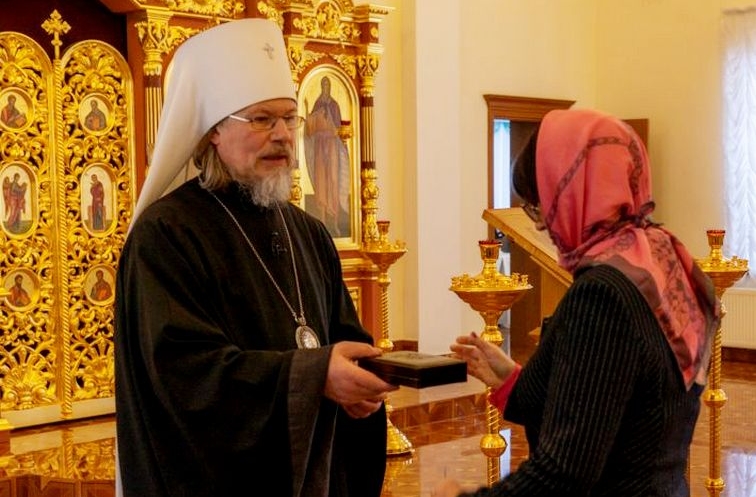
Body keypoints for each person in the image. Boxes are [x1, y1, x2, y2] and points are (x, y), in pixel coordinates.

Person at [113, 18, 397, 497]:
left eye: (290, 118)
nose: (283, 135)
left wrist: (362, 380)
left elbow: (342, 337)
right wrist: (313, 376)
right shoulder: (166, 235)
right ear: (213, 133)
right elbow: (185, 376)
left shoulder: (309, 232)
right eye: (262, 119)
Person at [436, 108, 720, 497]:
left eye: (541, 204)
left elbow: (562, 475)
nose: (541, 223)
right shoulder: (664, 259)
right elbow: (617, 402)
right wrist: (513, 380)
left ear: (572, 189)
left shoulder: (602, 293)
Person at [304, 75, 350, 236]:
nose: (325, 87)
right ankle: (322, 222)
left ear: (329, 87)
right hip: (319, 148)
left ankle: (335, 223)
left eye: (327, 85)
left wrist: (334, 130)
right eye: (323, 85)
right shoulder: (317, 104)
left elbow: (339, 129)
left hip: (332, 148)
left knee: (333, 181)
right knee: (321, 183)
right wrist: (309, 114)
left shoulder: (335, 105)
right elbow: (309, 129)